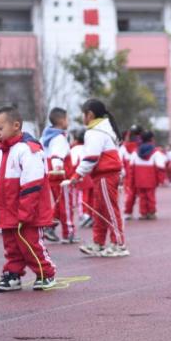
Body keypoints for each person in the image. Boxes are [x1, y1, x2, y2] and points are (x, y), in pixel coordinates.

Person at [0, 106, 56, 291]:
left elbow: (33, 184)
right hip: (8, 213)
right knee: (11, 246)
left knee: (31, 244)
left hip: (27, 213)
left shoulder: (28, 150)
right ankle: (13, 274)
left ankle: (46, 273)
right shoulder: (1, 152)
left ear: (16, 125)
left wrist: (25, 213)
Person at [67, 99, 127, 258]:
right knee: (99, 210)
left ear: (90, 114)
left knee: (109, 209)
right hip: (102, 175)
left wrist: (76, 175)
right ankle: (98, 242)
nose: (82, 117)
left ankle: (118, 244)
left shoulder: (95, 132)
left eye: (83, 114)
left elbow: (91, 157)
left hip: (105, 175)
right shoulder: (103, 129)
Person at [41, 108, 77, 243]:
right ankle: (69, 233)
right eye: (67, 119)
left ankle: (49, 227)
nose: (68, 122)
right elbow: (57, 156)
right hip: (61, 177)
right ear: (62, 121)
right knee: (66, 205)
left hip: (54, 176)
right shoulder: (59, 138)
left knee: (60, 203)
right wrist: (58, 168)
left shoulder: (48, 137)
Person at [129, 131, 167, 220]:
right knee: (151, 196)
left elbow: (131, 166)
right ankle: (151, 212)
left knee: (142, 196)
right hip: (151, 178)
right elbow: (161, 166)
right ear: (152, 139)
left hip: (139, 178)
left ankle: (143, 213)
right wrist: (161, 179)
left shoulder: (136, 151)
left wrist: (131, 180)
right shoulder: (155, 151)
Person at [70, 129, 93, 228]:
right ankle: (91, 215)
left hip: (80, 176)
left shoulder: (74, 150)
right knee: (91, 197)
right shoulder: (89, 148)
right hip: (90, 175)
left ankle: (83, 216)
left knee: (82, 197)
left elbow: (73, 164)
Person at [121, 125, 142, 221]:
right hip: (139, 171)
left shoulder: (124, 147)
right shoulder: (141, 146)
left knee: (130, 194)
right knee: (143, 193)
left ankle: (128, 212)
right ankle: (144, 211)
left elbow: (120, 160)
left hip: (128, 173)